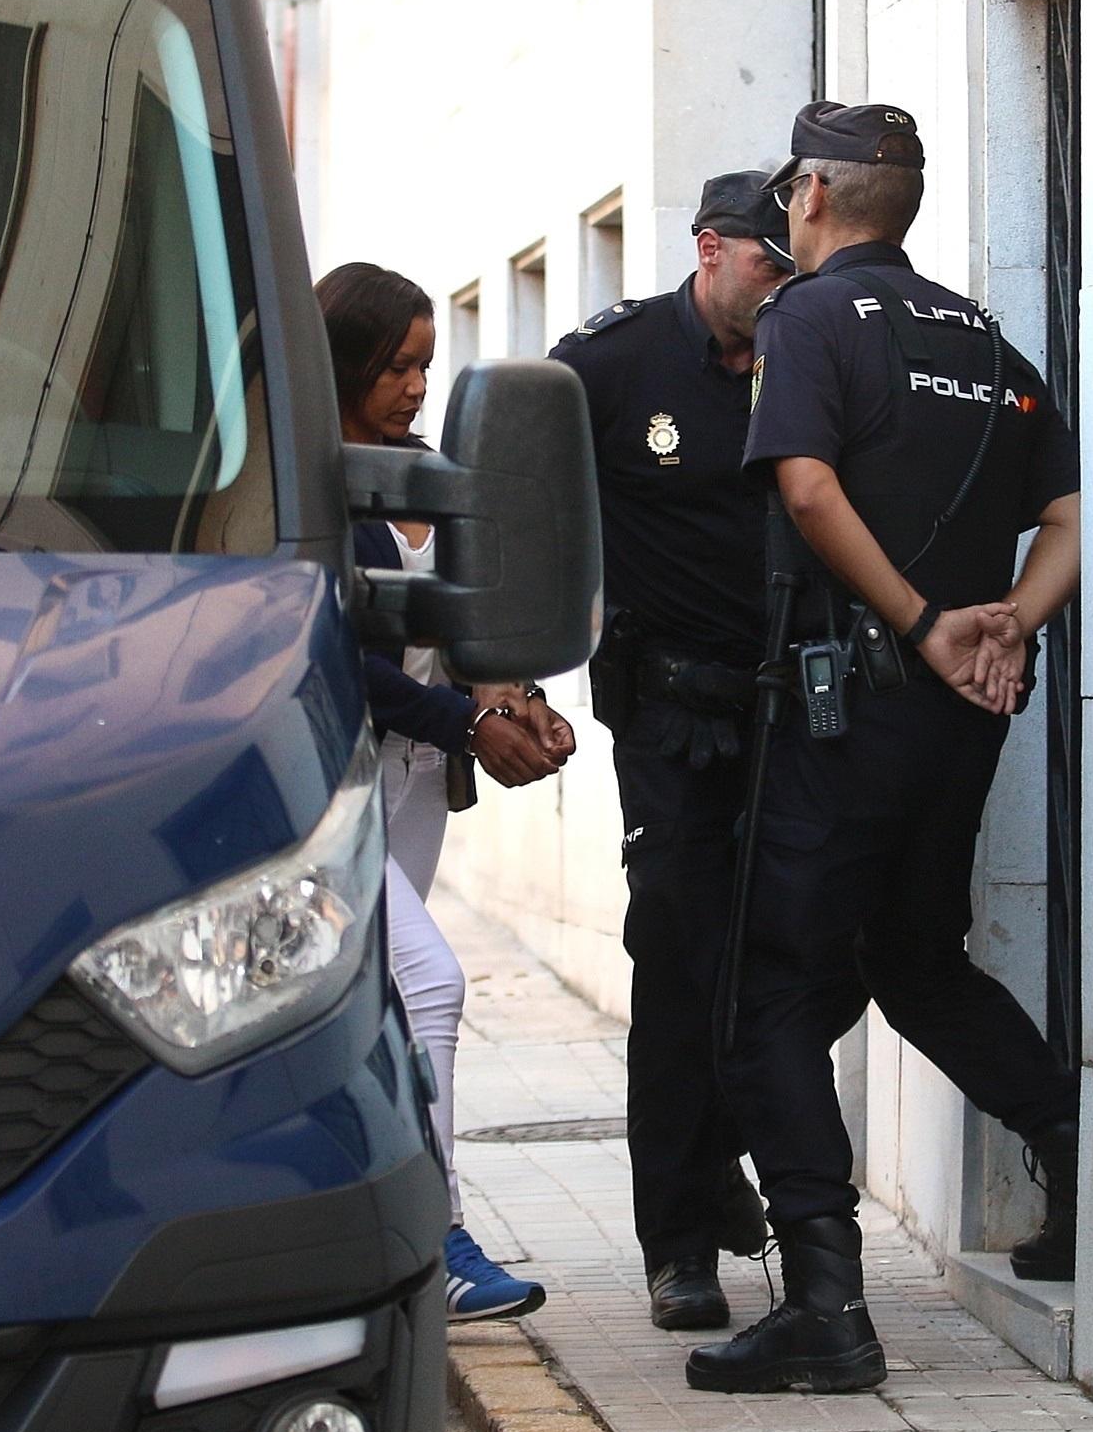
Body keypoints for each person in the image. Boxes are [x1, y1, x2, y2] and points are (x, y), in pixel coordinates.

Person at [684, 103, 1082, 1394]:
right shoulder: (983, 336)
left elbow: (804, 486)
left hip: (846, 707)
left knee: (768, 993)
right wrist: (1002, 624)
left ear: (806, 195)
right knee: (914, 957)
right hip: (958, 721)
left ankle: (824, 1303)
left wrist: (917, 625)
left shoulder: (805, 319)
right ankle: (1071, 1146)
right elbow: (1068, 514)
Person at [547, 171, 793, 1332]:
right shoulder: (611, 362)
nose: (784, 282)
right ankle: (680, 1239)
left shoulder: (812, 354)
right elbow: (514, 500)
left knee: (791, 959)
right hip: (672, 717)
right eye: (767, 262)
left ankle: (728, 1163)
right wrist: (504, 661)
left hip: (796, 713)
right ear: (709, 248)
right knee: (682, 956)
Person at [316, 262, 578, 1322]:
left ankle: (357, 1236)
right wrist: (470, 720)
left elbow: (477, 625)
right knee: (428, 983)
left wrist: (518, 693)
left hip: (414, 786)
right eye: (394, 364)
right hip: (325, 785)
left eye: (425, 363)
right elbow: (338, 656)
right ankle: (438, 1235)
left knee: (368, 1010)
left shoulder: (434, 475)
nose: (414, 385)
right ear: (341, 361)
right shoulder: (308, 484)